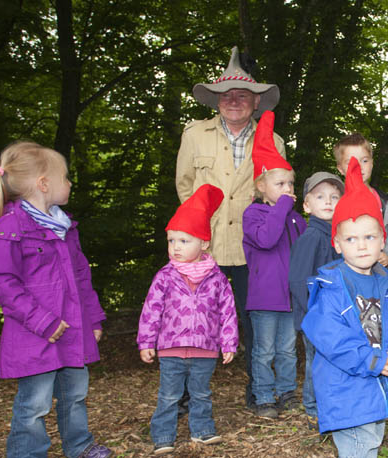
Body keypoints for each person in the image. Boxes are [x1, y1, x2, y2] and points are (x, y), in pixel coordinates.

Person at [176, 46, 284, 408]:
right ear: (216, 101)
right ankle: (188, 396)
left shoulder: (274, 141)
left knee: (255, 325)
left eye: (243, 95)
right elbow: (185, 188)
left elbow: (276, 196)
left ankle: (260, 391)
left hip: (254, 250)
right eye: (227, 95)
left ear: (256, 103)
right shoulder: (194, 135)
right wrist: (193, 238)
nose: (234, 101)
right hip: (205, 247)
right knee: (194, 322)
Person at [0, 142, 112, 458]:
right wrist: (43, 321)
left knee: (75, 394)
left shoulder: (65, 227)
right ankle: (27, 453)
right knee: (35, 404)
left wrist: (94, 318)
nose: (70, 183)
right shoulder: (9, 228)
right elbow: (2, 282)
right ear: (44, 183)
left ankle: (80, 446)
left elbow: (82, 278)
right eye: (65, 177)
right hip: (33, 335)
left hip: (71, 330)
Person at [302, 156, 388, 458]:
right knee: (359, 448)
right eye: (351, 239)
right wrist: (371, 360)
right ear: (338, 244)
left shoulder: (385, 285)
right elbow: (331, 340)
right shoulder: (331, 286)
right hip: (345, 390)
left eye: (369, 237)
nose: (361, 245)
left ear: (382, 241)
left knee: (371, 443)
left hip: (377, 389)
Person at [137, 184, 238, 455]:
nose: (176, 247)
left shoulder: (216, 279)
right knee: (169, 395)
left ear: (204, 242)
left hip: (205, 348)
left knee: (201, 393)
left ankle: (203, 432)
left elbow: (228, 311)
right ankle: (163, 436)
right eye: (171, 241)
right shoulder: (165, 276)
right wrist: (146, 341)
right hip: (170, 348)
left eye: (184, 241)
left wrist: (228, 343)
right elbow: (151, 310)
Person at [242, 111, 307, 419]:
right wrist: (282, 206)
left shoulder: (296, 219)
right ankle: (264, 396)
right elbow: (267, 240)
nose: (287, 189)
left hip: (289, 298)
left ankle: (286, 392)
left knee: (287, 350)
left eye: (290, 183)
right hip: (265, 298)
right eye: (280, 183)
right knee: (264, 350)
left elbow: (304, 253)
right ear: (261, 185)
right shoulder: (253, 215)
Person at [288, 171, 344, 423]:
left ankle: (328, 401)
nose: (328, 201)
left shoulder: (339, 238)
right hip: (316, 316)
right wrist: (313, 313)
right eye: (320, 196)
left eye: (334, 196)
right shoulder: (310, 237)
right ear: (307, 205)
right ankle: (312, 405)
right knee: (316, 360)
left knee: (332, 359)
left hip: (336, 316)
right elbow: (298, 280)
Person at [333, 133, 388, 305]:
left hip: (385, 285)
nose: (358, 166)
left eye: (364, 160)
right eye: (350, 161)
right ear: (340, 168)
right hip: (349, 287)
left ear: (373, 162)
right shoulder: (333, 206)